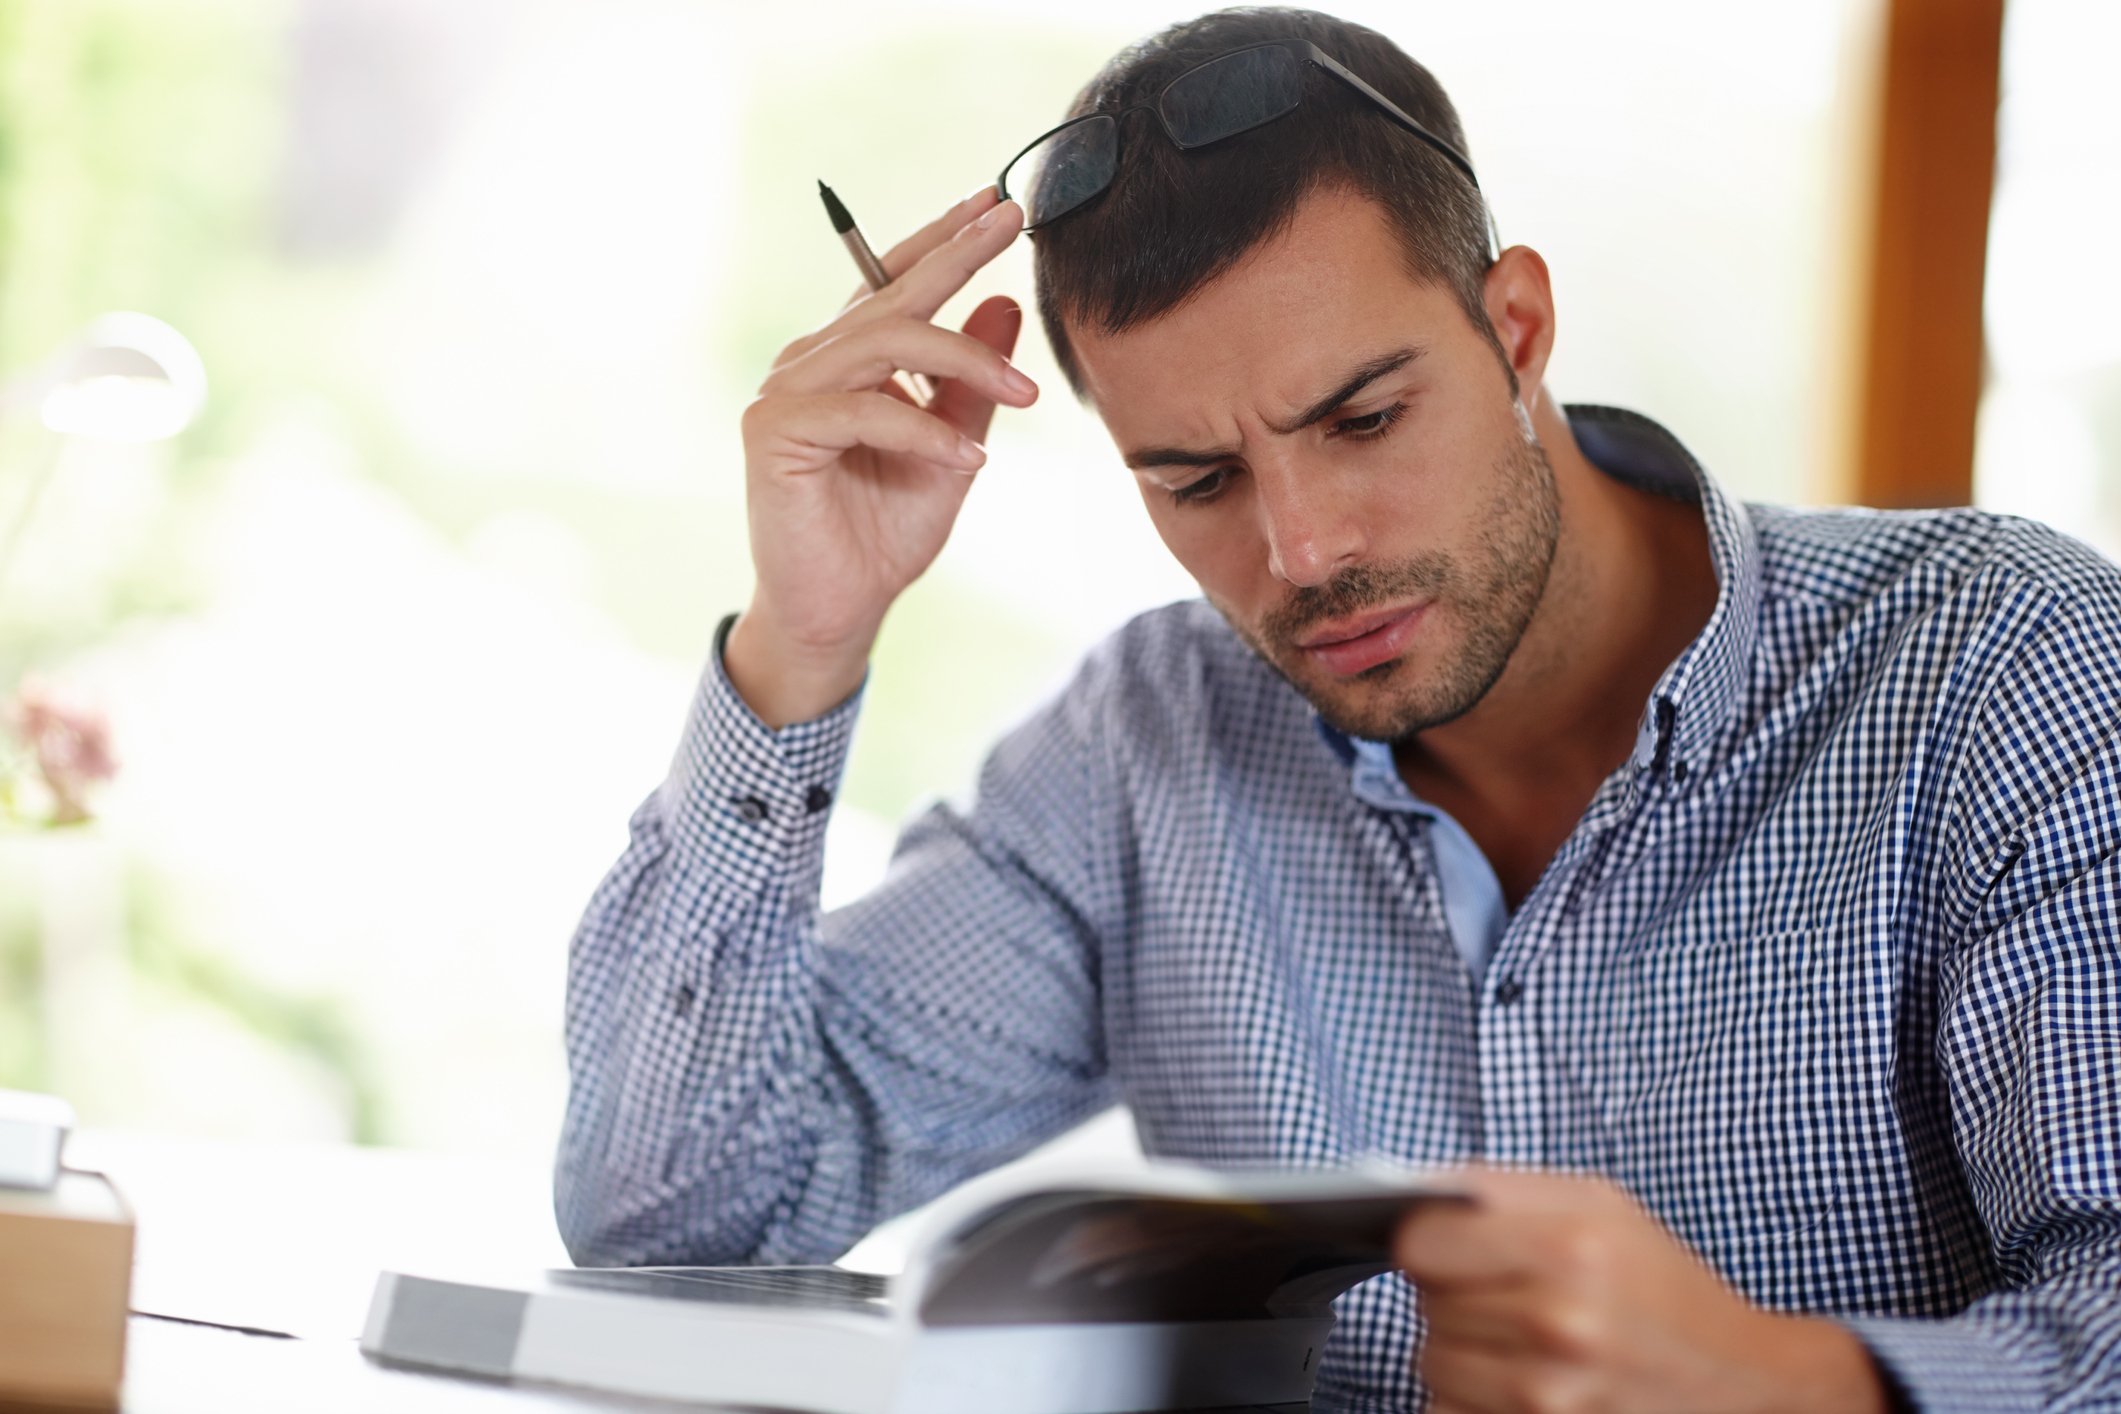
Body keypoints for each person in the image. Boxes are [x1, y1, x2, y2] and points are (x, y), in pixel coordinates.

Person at [555, 8, 2121, 1410]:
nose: (1303, 553)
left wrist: (1786, 1383)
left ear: (1514, 330)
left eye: (1362, 417)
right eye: (1198, 479)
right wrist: (802, 642)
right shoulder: (1143, 744)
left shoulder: (1995, 669)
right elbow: (677, 1220)